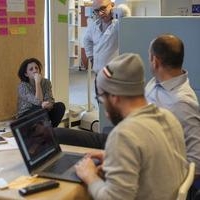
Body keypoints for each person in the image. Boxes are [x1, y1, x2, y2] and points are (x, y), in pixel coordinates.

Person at [74, 53, 188, 200]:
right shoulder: (169, 117)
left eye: (101, 98)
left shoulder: (123, 135)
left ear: (114, 97)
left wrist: (89, 176)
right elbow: (156, 159)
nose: (104, 108)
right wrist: (115, 157)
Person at [145, 34, 200, 196]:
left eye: (149, 58)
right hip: (137, 140)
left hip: (151, 168)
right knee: (71, 138)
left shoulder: (181, 103)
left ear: (155, 61)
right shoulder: (156, 82)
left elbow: (196, 161)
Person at [83, 0, 131, 73]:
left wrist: (115, 10)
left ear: (112, 5)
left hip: (114, 75)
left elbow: (125, 12)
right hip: (98, 73)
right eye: (96, 11)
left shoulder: (118, 24)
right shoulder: (95, 25)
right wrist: (91, 56)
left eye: (103, 8)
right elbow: (86, 40)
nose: (100, 13)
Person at [17, 58, 65, 127]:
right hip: (26, 115)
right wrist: (37, 83)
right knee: (40, 109)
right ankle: (45, 131)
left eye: (36, 68)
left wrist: (49, 104)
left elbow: (50, 99)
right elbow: (37, 101)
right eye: (31, 69)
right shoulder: (22, 86)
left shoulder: (46, 82)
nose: (35, 71)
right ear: (26, 74)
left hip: (43, 111)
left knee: (60, 106)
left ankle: (52, 130)